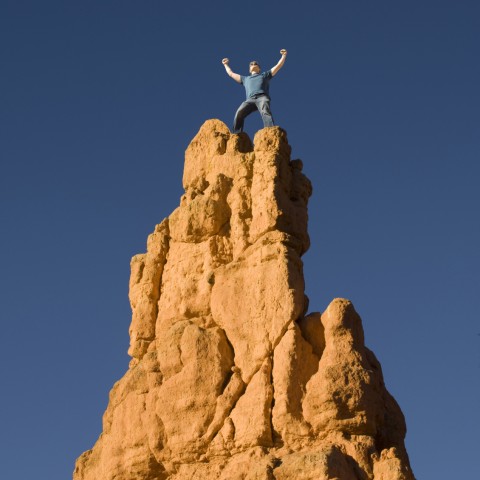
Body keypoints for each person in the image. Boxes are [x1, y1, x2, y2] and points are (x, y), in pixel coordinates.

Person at [222, 50, 287, 133]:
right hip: (250, 100)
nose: (253, 64)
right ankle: (236, 135)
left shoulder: (265, 75)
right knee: (239, 113)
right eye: (251, 64)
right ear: (249, 69)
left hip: (262, 97)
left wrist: (283, 56)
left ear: (259, 68)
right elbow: (231, 74)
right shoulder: (245, 79)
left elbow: (278, 66)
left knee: (265, 111)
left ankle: (270, 131)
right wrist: (226, 64)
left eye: (255, 64)